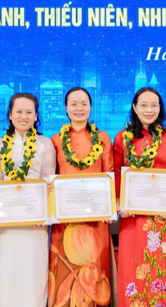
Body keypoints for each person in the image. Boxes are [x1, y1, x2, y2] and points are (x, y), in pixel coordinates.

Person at [0, 93, 55, 306]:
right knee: (4, 272)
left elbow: (48, 182)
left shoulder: (45, 144)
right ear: (10, 115)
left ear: (36, 116)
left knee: (32, 274)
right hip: (5, 222)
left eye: (29, 112)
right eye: (19, 112)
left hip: (35, 222)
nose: (24, 116)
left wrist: (45, 214)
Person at [113, 87, 166, 307]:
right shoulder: (122, 138)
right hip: (131, 218)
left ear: (160, 108)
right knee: (132, 270)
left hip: (161, 219)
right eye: (143, 105)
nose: (149, 110)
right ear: (134, 108)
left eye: (154, 105)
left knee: (160, 272)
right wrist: (119, 202)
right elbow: (117, 174)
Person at [48, 87, 115, 307]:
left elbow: (109, 175)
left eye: (84, 104)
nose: (79, 108)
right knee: (64, 274)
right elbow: (51, 180)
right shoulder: (56, 140)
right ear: (65, 108)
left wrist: (110, 208)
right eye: (74, 104)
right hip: (65, 220)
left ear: (91, 107)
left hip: (96, 219)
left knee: (94, 273)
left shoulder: (102, 138)